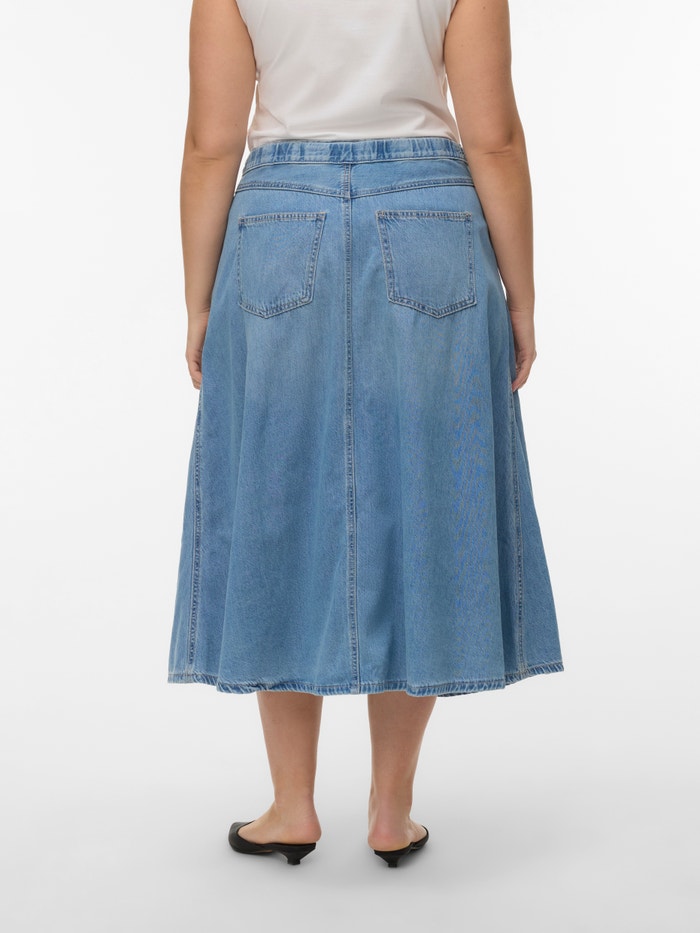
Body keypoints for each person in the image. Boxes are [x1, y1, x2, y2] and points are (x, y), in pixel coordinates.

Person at [167, 0, 564, 868]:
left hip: (279, 220)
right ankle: (391, 809)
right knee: (425, 500)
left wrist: (198, 300)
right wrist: (522, 296)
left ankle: (292, 805)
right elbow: (493, 138)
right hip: (429, 217)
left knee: (274, 502)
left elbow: (211, 145)